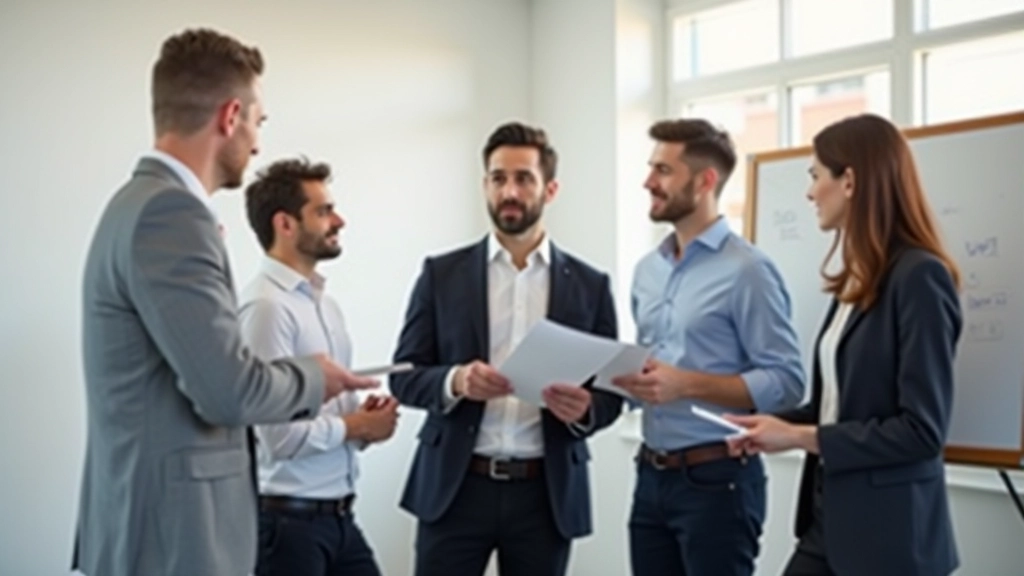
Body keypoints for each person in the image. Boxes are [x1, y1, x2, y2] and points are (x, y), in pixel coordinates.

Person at [73, 29, 377, 576]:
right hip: (172, 537)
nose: (258, 143)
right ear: (231, 115)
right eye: (259, 122)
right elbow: (227, 393)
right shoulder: (171, 215)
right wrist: (315, 377)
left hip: (148, 521)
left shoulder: (137, 205)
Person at [724, 114, 963, 576]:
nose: (810, 193)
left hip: (891, 538)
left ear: (849, 180)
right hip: (829, 519)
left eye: (815, 176)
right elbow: (840, 406)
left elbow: (921, 431)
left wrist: (797, 437)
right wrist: (773, 426)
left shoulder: (919, 277)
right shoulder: (856, 278)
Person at [389, 121, 622, 576]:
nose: (509, 191)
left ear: (550, 189)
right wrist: (455, 381)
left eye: (523, 178)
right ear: (485, 186)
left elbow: (613, 395)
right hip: (455, 490)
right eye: (498, 179)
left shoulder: (591, 286)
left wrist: (587, 408)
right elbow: (404, 376)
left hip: (545, 494)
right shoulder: (441, 274)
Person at [612, 118, 806, 576]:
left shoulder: (749, 270)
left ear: (704, 181)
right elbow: (655, 375)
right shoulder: (647, 271)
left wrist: (687, 385)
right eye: (650, 168)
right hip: (650, 477)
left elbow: (788, 382)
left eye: (662, 170)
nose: (648, 182)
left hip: (718, 483)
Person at [239, 158, 398, 576]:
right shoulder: (266, 309)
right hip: (288, 527)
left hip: (339, 518)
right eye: (323, 211)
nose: (339, 220)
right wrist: (357, 427)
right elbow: (277, 436)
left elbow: (327, 414)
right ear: (285, 224)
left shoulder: (324, 305)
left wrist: (366, 423)